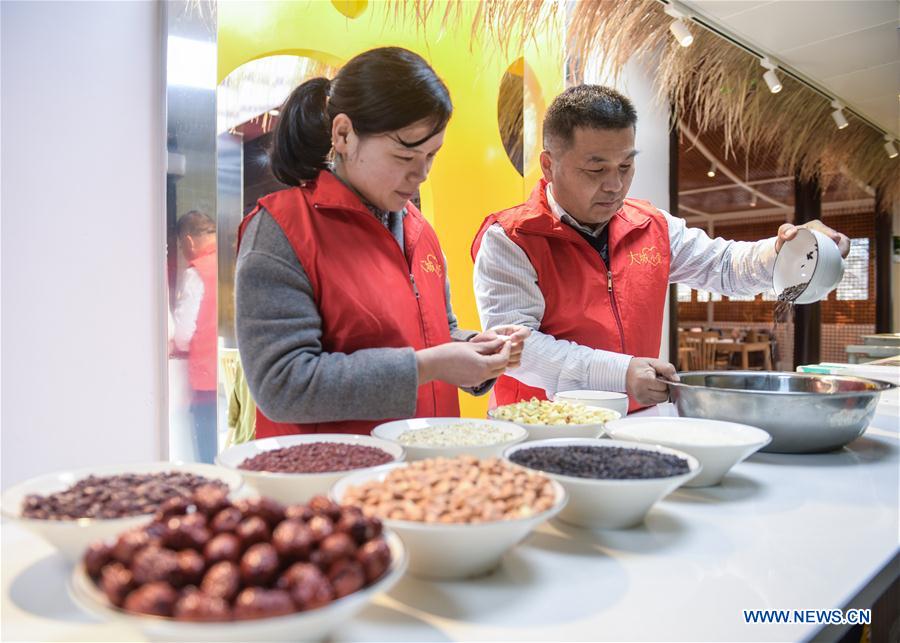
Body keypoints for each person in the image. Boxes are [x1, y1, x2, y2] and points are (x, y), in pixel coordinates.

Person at [472, 85, 850, 411]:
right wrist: (618, 373)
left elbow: (725, 266)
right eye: (596, 168)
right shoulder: (510, 237)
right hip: (538, 427)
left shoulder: (652, 226)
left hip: (634, 420)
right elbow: (517, 346)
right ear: (549, 166)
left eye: (625, 166)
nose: (614, 185)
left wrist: (791, 250)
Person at [235, 47, 529, 437]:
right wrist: (429, 366)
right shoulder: (282, 230)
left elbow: (439, 331)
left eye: (431, 155)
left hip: (423, 471)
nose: (421, 173)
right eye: (405, 154)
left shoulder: (418, 229)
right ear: (343, 134)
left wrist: (477, 347)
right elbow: (284, 385)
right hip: (330, 481)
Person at [172, 210, 218, 462]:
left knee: (206, 449)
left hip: (205, 377)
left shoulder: (196, 273)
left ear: (188, 240)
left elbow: (183, 333)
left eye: (180, 245)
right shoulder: (231, 262)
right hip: (232, 374)